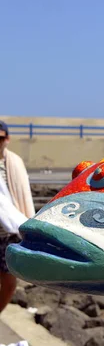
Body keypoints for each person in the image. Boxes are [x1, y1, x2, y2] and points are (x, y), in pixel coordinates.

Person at [0, 121, 34, 313]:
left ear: (8, 139)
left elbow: (23, 195)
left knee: (9, 284)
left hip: (9, 234)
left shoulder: (14, 162)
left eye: (1, 138)